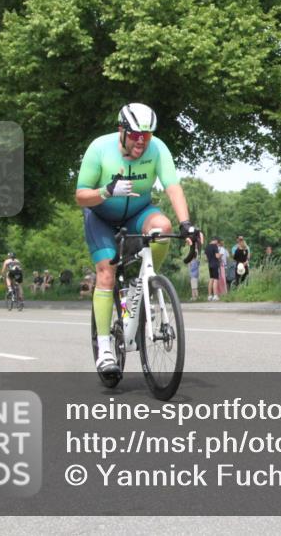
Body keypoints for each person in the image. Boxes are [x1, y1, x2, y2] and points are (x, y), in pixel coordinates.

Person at [76, 102, 199, 377]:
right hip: (101, 217)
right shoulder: (99, 148)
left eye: (147, 135)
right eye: (135, 135)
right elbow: (81, 196)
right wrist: (107, 191)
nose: (141, 141)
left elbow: (172, 186)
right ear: (121, 130)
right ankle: (106, 348)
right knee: (106, 273)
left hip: (139, 213)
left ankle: (143, 282)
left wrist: (187, 224)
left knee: (162, 226)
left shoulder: (158, 149)